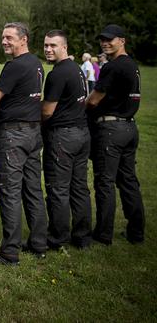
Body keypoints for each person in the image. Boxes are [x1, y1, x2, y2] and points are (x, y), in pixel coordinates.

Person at [0, 22, 47, 266]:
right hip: (33, 132)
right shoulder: (36, 63)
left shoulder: (15, 66)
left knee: (10, 192)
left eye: (9, 37)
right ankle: (39, 244)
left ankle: (9, 252)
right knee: (33, 189)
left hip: (14, 134)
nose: (4, 41)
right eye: (3, 37)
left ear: (24, 39)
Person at [86, 24, 144, 245]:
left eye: (110, 39)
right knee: (128, 181)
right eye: (102, 39)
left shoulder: (113, 66)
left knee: (105, 182)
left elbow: (93, 100)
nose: (105, 43)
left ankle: (103, 234)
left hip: (111, 129)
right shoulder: (132, 65)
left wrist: (85, 108)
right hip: (130, 128)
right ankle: (136, 232)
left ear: (122, 40)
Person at [41, 30, 92, 250]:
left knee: (58, 188)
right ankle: (82, 236)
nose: (48, 49)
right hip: (82, 133)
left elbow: (47, 111)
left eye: (53, 45)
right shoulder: (77, 69)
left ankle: (57, 237)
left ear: (65, 47)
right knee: (79, 187)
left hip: (63, 136)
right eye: (45, 45)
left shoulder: (58, 73)